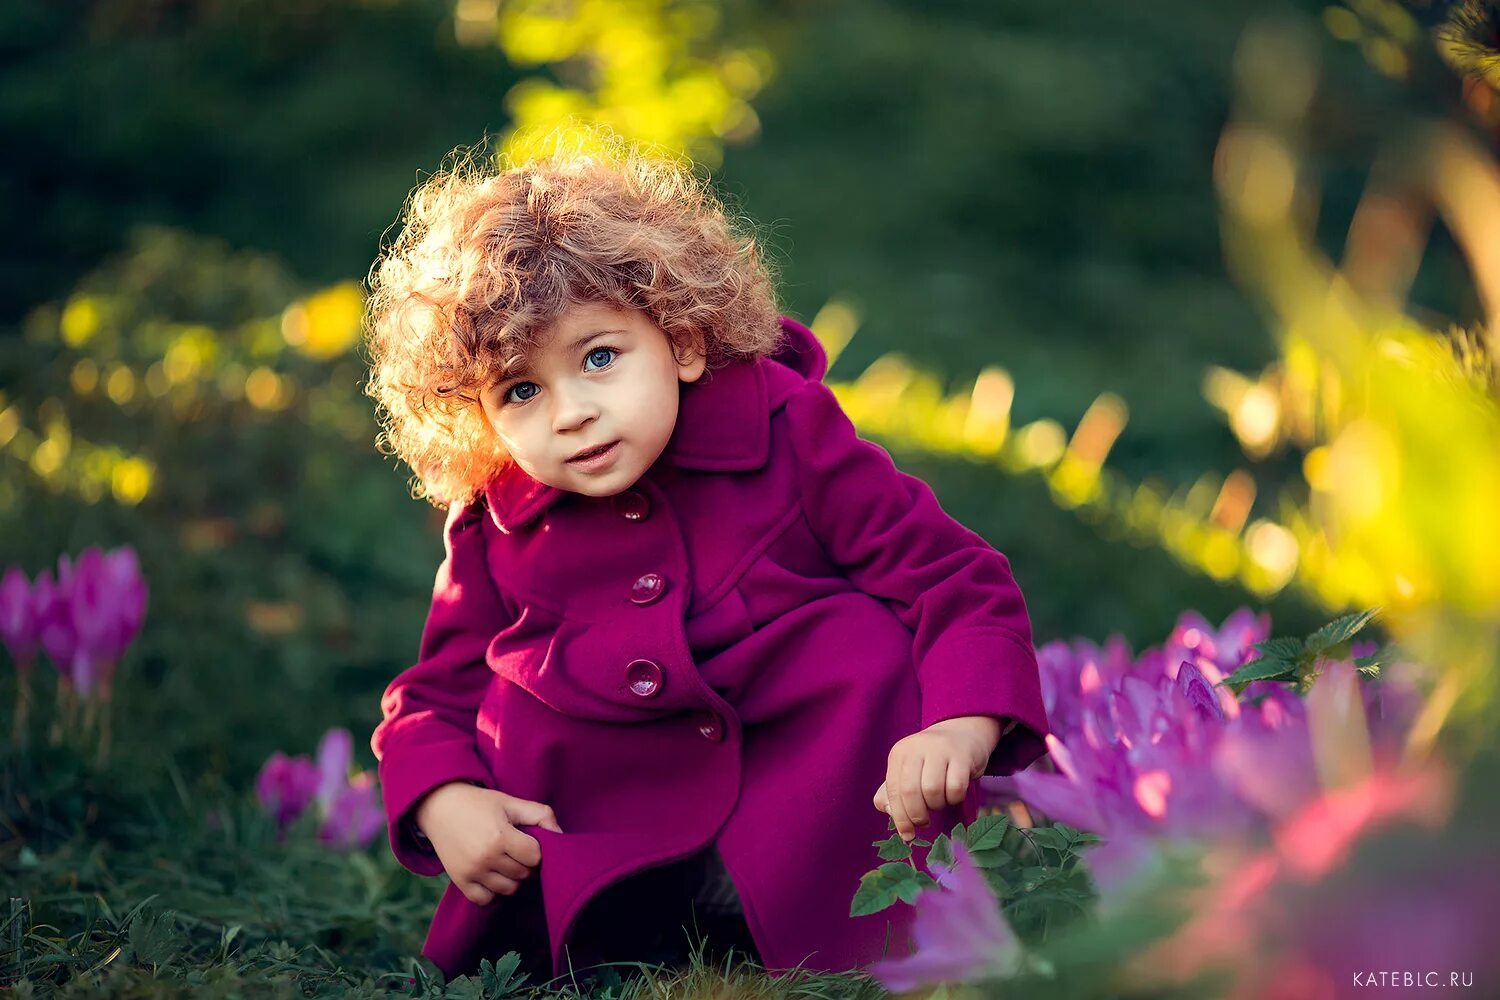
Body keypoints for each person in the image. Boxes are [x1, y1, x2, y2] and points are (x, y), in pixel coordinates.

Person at [362, 127, 1050, 984]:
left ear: (682, 341)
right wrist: (444, 797)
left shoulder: (785, 431)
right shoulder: (497, 520)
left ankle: (849, 917)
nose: (570, 412)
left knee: (864, 643)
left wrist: (960, 720)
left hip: (816, 821)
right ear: (480, 416)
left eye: (601, 358)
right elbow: (432, 693)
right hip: (601, 837)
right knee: (519, 700)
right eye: (521, 390)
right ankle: (634, 918)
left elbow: (954, 576)